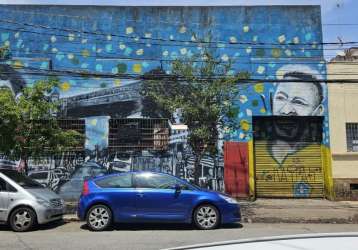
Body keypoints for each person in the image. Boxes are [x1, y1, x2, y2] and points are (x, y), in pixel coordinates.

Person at [268, 65, 325, 164]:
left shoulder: (322, 154)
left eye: (299, 102)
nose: (286, 110)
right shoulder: (252, 147)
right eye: (280, 98)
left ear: (317, 113)